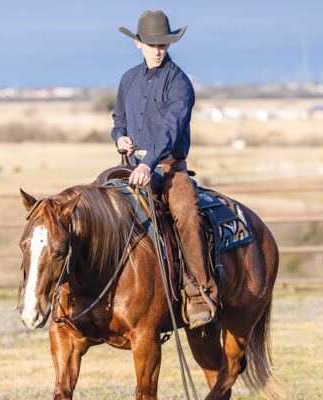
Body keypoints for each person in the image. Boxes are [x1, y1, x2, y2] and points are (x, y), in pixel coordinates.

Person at [111, 10, 218, 328]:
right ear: (137, 43)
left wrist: (148, 162)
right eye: (151, 44)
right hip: (132, 167)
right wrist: (120, 137)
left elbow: (170, 129)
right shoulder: (128, 79)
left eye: (163, 44)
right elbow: (118, 118)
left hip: (170, 168)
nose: (157, 50)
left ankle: (199, 291)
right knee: (97, 205)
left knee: (185, 211)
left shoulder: (180, 83)